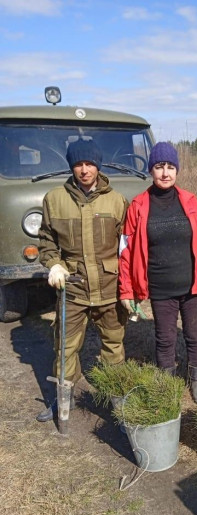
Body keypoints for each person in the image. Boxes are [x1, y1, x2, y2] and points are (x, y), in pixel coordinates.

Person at [36, 138, 128, 422]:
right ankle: (63, 401)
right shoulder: (55, 200)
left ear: (98, 166)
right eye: (78, 164)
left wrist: (131, 289)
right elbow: (46, 241)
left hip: (109, 289)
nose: (84, 170)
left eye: (89, 164)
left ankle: (119, 404)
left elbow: (128, 247)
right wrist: (53, 265)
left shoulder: (116, 201)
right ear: (71, 166)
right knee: (64, 348)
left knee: (113, 346)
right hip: (72, 289)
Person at [119, 142, 197, 404]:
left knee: (195, 335)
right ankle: (168, 385)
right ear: (151, 170)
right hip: (161, 288)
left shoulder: (190, 202)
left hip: (191, 284)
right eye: (159, 167)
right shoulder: (139, 205)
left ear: (177, 170)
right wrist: (127, 289)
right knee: (165, 339)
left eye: (170, 167)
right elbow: (126, 251)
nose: (165, 173)